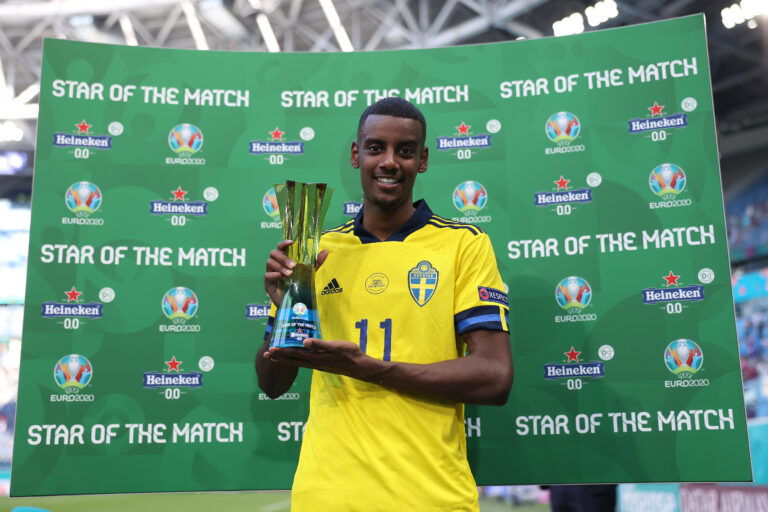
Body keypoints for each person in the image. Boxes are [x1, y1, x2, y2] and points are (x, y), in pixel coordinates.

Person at [257, 97, 513, 511]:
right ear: (357, 155)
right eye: (376, 148)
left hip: (430, 496)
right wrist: (286, 306)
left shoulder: (464, 245)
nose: (390, 162)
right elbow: (272, 384)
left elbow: (495, 377)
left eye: (405, 151)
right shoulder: (317, 251)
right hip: (327, 495)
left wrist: (375, 371)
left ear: (423, 160)